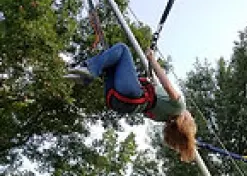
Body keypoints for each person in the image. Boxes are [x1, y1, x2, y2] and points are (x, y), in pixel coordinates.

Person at [65, 43, 197, 162]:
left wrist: (152, 60)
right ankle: (86, 75)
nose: (191, 115)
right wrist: (149, 79)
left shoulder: (180, 107)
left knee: (122, 49)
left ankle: (89, 70)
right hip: (116, 102)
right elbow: (154, 95)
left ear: (186, 119)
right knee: (111, 64)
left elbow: (166, 85)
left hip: (130, 94)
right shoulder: (161, 118)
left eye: (192, 118)